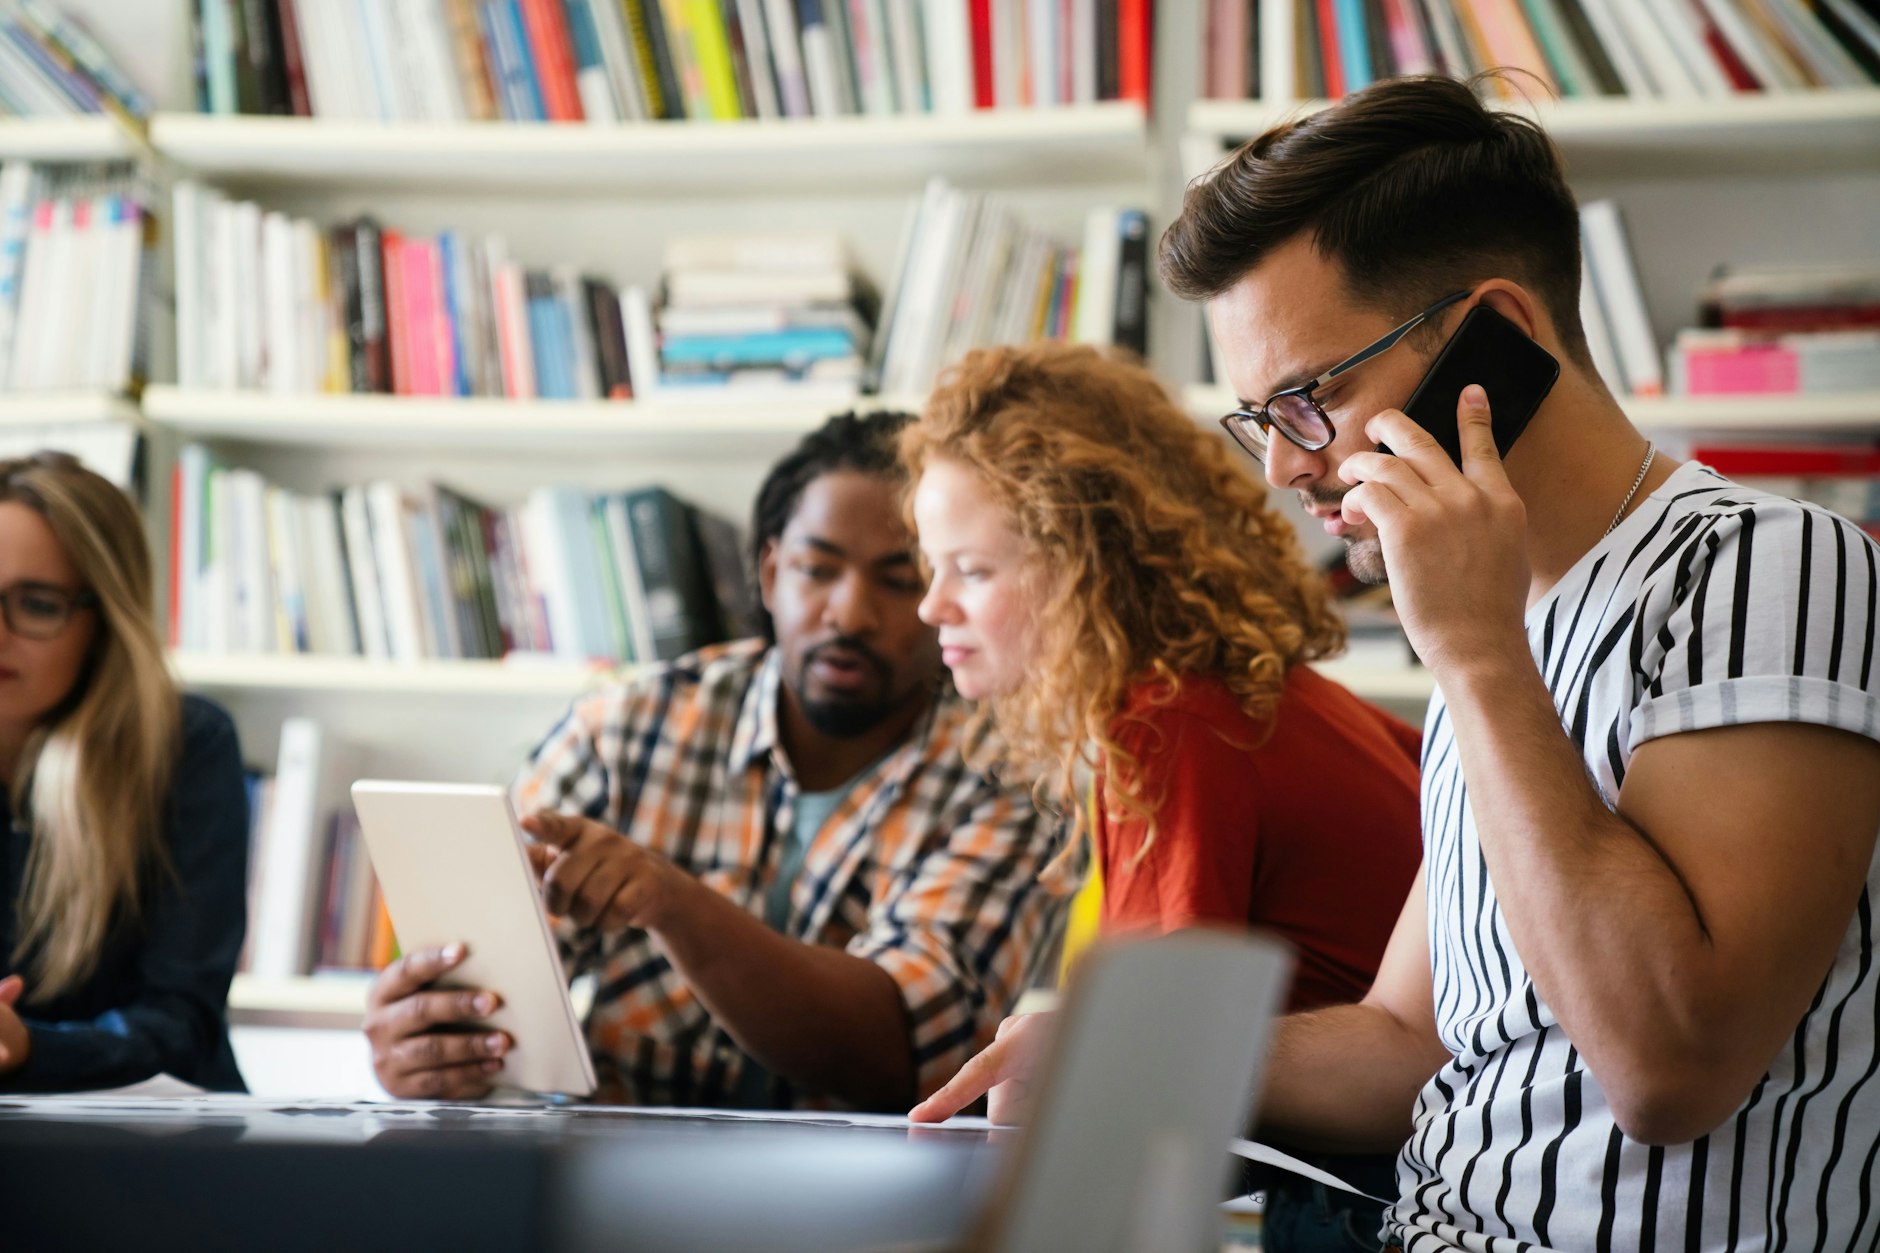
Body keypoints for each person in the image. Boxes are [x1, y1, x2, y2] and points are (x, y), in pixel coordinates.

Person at [912, 75, 1880, 1253]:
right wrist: (1118, 1051)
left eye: (1307, 397)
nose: (1282, 466)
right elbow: (1408, 1040)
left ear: (1497, 338)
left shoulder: (1766, 566)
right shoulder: (1493, 616)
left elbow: (1669, 1067)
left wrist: (1474, 657)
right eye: (1258, 418)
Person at [364, 411, 1069, 1110]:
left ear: (946, 594)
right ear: (769, 572)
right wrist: (430, 1041)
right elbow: (489, 986)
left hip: (867, 1172)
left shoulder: (1012, 776)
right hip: (612, 1156)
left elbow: (903, 1055)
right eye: (817, 569)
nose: (850, 614)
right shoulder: (626, 730)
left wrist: (671, 901)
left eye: (899, 578)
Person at [903, 341, 1423, 1015]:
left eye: (971, 570)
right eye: (932, 567)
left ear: (1088, 566)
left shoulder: (1168, 724)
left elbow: (1149, 1048)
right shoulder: (1261, 693)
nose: (932, 606)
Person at [0, 451, 248, 1093]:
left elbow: (182, 1026)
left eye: (36, 604)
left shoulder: (186, 747)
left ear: (106, 620)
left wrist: (31, 1049)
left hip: (152, 1136)